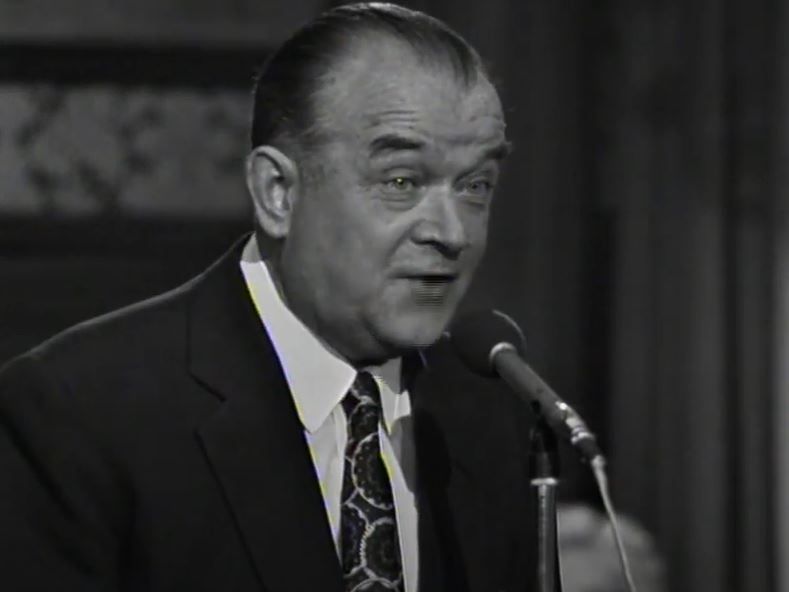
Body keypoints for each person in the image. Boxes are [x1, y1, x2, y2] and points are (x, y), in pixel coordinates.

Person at [0, 4, 535, 591]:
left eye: (475, 186)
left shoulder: (496, 414)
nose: (452, 233)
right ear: (277, 191)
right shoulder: (77, 414)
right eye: (401, 181)